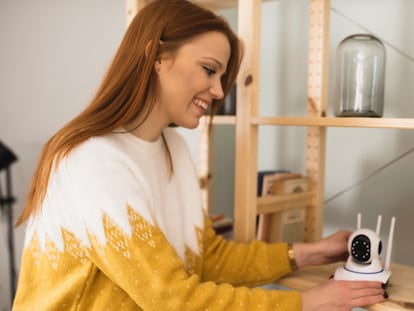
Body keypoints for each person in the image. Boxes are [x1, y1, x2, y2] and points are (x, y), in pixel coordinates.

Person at [12, 0, 387, 310]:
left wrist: (309, 253)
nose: (219, 90)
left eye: (222, 77)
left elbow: (207, 257)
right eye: (209, 70)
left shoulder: (172, 147)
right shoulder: (91, 160)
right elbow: (170, 298)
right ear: (157, 56)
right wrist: (304, 303)